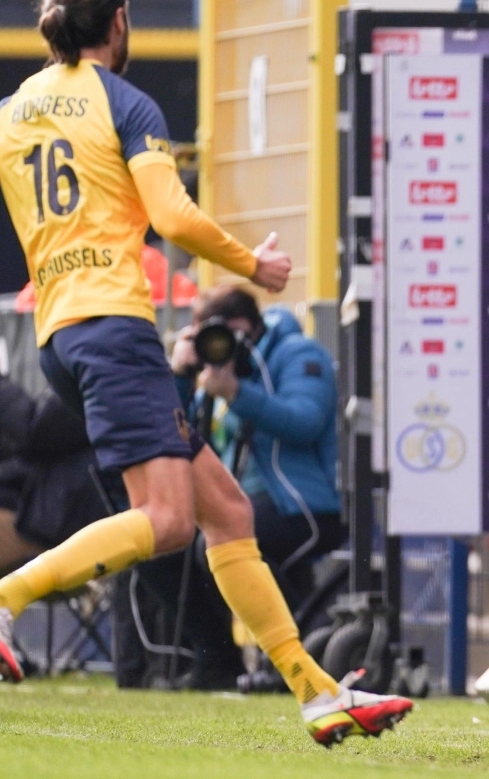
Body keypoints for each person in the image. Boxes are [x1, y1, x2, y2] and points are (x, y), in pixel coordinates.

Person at [0, 0, 410, 746]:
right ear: (119, 21)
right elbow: (173, 215)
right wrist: (253, 264)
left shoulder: (4, 114)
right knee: (171, 521)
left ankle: (316, 693)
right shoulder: (121, 101)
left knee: (226, 512)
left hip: (59, 337)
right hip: (113, 327)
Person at [132, 287, 346, 689]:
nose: (222, 346)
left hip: (303, 503)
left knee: (220, 543)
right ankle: (218, 663)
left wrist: (236, 391)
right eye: (210, 337)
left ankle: (300, 660)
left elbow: (306, 421)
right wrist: (179, 376)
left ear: (250, 328)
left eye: (227, 335)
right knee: (158, 545)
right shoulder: (209, 372)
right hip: (242, 501)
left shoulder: (297, 354)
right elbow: (173, 432)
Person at [0, 346, 111, 582]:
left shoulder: (103, 365)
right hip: (29, 516)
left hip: (46, 531)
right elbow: (10, 449)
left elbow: (34, 429)